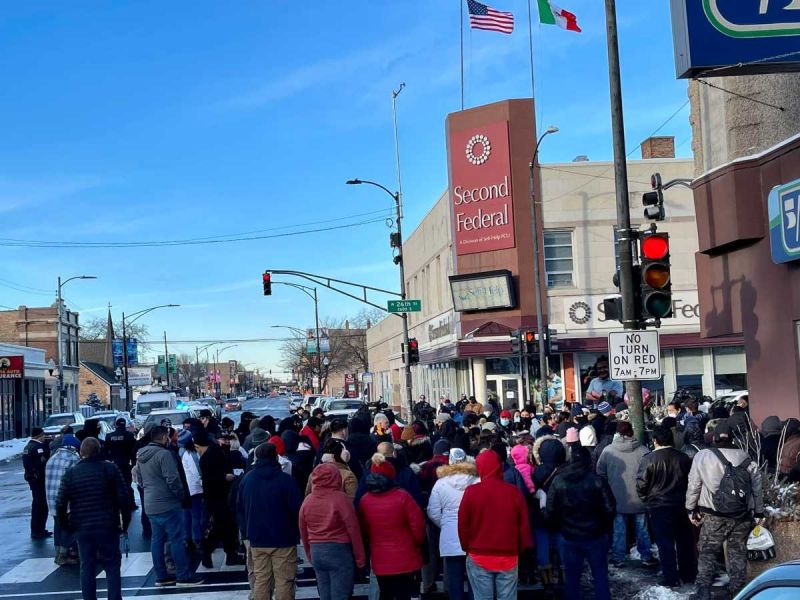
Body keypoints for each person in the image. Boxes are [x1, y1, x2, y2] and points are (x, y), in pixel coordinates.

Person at [686, 420, 764, 599]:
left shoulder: (703, 456)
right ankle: (738, 590)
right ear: (732, 437)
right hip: (742, 515)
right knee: (737, 551)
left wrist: (691, 509)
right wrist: (759, 512)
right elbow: (756, 487)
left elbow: (694, 485)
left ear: (713, 437)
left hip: (714, 515)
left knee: (707, 552)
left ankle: (703, 591)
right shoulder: (745, 457)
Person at [56, 437, 131, 600]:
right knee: (111, 565)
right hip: (107, 524)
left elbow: (60, 503)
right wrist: (124, 525)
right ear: (99, 450)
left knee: (87, 566)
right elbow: (124, 499)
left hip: (82, 526)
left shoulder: (71, 473)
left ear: (81, 452)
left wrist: (66, 526)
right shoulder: (110, 469)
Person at [457, 450, 531, 600]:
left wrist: (467, 547)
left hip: (479, 555)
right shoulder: (513, 492)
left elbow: (463, 525)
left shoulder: (471, 492)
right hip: (508, 556)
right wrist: (521, 548)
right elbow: (523, 526)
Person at [135, 426, 202, 587]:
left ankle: (161, 575)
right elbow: (173, 480)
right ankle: (183, 575)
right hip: (168, 503)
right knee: (176, 539)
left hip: (150, 503)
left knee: (156, 540)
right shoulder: (164, 455)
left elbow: (139, 479)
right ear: (164, 437)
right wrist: (181, 497)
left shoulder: (140, 455)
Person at [546, 446, 615, 600]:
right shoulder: (597, 480)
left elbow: (550, 510)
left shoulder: (559, 480)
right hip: (594, 535)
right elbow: (610, 508)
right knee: (600, 577)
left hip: (569, 536)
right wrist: (604, 527)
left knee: (572, 580)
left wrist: (559, 528)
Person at [237, 443, 303, 600]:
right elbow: (297, 510)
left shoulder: (247, 480)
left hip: (257, 539)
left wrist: (246, 533)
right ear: (276, 457)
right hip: (283, 539)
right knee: (285, 582)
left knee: (261, 580)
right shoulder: (286, 480)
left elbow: (240, 509)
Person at [358, 453, 426, 600]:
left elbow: (364, 529)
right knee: (404, 594)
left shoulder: (365, 501)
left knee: (386, 593)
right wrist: (417, 543)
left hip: (380, 556)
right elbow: (418, 525)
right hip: (405, 555)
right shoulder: (403, 497)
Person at [636, 425, 696, 588]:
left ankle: (670, 577)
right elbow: (692, 482)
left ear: (655, 441)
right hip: (681, 505)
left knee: (665, 544)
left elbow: (641, 484)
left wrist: (647, 500)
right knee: (684, 542)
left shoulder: (648, 459)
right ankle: (688, 574)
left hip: (658, 506)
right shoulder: (683, 458)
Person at [300, 463, 367, 600]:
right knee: (341, 594)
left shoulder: (308, 500)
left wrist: (309, 553)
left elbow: (303, 530)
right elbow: (353, 528)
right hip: (339, 551)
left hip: (317, 550)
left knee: (324, 594)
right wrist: (360, 557)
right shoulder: (341, 499)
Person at [596, 421, 657, 569]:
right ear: (632, 431)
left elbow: (600, 472)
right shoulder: (643, 450)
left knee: (618, 529)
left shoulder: (608, 451)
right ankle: (646, 556)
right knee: (642, 529)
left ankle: (618, 557)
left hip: (616, 497)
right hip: (639, 497)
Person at [426, 448, 478, 600]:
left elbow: (433, 511)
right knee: (475, 580)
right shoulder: (476, 481)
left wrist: (445, 524)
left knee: (454, 582)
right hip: (473, 536)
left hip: (450, 536)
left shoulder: (440, 483)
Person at [194, 430, 243, 567]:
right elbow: (209, 477)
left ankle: (229, 554)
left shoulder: (220, 453)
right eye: (223, 439)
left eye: (228, 440)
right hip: (217, 498)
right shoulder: (213, 454)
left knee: (227, 528)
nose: (226, 442)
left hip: (222, 497)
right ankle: (208, 553)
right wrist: (224, 477)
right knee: (218, 528)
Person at [45, 433, 81, 565]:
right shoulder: (73, 459)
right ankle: (64, 555)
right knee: (68, 527)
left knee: (58, 525)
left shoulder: (52, 458)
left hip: (52, 499)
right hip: (67, 500)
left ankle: (58, 553)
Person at [177, 430, 204, 555]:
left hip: (185, 488)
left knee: (186, 515)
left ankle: (187, 538)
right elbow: (197, 471)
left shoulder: (181, 452)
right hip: (195, 488)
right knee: (196, 515)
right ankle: (198, 538)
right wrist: (203, 484)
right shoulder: (191, 453)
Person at [23, 427, 51, 539]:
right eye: (44, 435)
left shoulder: (28, 446)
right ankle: (39, 530)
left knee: (37, 505)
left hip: (33, 479)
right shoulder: (38, 447)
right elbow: (42, 462)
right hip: (39, 480)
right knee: (41, 505)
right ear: (40, 435)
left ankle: (37, 529)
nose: (45, 438)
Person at [105, 417, 138, 510]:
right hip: (125, 464)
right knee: (127, 484)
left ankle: (116, 505)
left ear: (116, 425)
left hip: (113, 464)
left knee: (114, 485)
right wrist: (134, 464)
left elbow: (106, 451)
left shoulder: (109, 436)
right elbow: (134, 451)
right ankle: (131, 504)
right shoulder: (129, 436)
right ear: (125, 425)